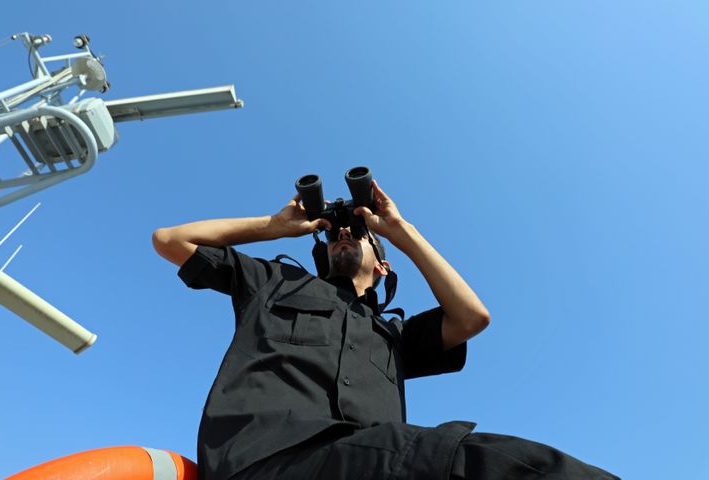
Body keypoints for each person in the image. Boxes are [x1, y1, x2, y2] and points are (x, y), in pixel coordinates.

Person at [152, 180, 619, 480]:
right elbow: (170, 241)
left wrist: (399, 229)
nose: (343, 234)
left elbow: (472, 317)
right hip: (266, 460)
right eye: (335, 233)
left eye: (357, 232)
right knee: (483, 465)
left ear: (383, 265)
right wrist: (273, 227)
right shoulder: (273, 282)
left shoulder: (393, 335)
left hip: (369, 463)